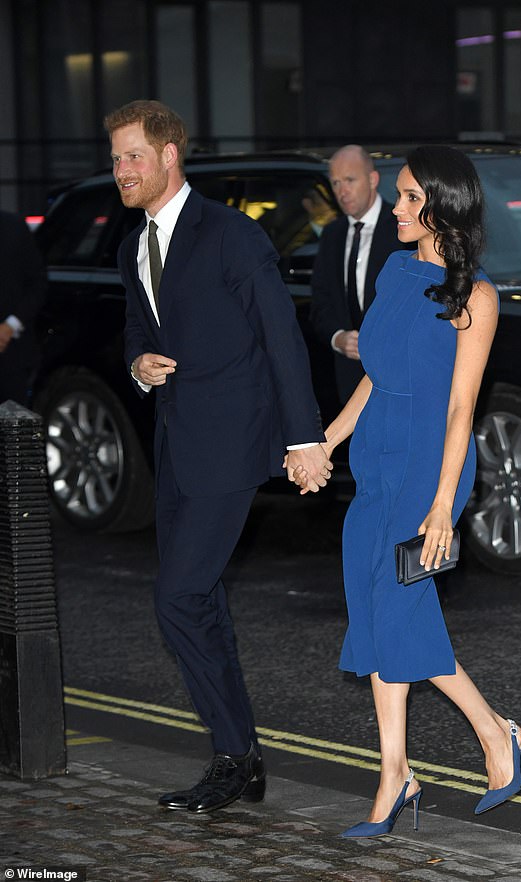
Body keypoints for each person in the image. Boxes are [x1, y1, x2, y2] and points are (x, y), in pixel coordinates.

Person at [294, 145, 521, 837]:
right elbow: (376, 371)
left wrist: (442, 505)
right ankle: (454, 749)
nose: (396, 208)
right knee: (380, 614)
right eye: (398, 196)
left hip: (432, 467)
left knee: (398, 608)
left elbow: (462, 408)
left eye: (408, 198)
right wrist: (330, 441)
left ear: (443, 204)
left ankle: (446, 754)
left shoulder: (478, 298)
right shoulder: (397, 268)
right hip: (377, 455)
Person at [104, 100, 331, 815]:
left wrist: (305, 439)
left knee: (175, 599)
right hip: (176, 445)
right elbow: (139, 333)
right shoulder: (131, 246)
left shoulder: (233, 235)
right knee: (198, 601)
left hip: (230, 447)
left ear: (171, 155)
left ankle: (233, 753)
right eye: (114, 159)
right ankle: (242, 761)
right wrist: (139, 366)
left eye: (134, 156)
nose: (121, 171)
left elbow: (282, 340)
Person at [310, 145, 406, 405]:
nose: (342, 191)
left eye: (350, 180)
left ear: (373, 180)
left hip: (398, 372)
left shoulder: (402, 229)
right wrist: (338, 338)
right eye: (336, 183)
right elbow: (320, 303)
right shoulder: (332, 235)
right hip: (346, 377)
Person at [0, 211, 46, 405]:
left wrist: (10, 326)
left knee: (13, 425)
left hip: (12, 353)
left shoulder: (13, 227)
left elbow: (38, 284)